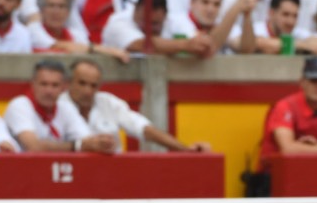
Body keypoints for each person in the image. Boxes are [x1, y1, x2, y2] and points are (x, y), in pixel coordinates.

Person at [62, 58, 212, 154]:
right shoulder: (58, 106)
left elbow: (144, 129)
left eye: (93, 85)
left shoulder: (108, 102)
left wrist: (185, 149)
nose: (87, 91)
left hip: (110, 173)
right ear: (69, 82)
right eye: (82, 83)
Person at [3, 58, 110, 152]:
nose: (49, 91)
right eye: (44, 84)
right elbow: (34, 147)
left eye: (55, 85)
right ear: (33, 84)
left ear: (63, 87)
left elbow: (88, 141)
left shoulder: (65, 108)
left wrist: (101, 143)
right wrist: (77, 146)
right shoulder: (19, 105)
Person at [101, 0, 214, 56]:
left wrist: (201, 43)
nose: (148, 27)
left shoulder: (175, 20)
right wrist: (185, 45)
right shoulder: (118, 22)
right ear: (135, 10)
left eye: (154, 23)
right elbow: (143, 44)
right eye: (144, 21)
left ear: (165, 15)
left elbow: (200, 44)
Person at [29, 0, 129, 61]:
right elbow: (57, 45)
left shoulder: (76, 35)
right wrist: (103, 50)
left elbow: (84, 48)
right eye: (51, 6)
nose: (56, 11)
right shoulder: (33, 30)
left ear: (68, 12)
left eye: (61, 6)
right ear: (42, 10)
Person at [168, 0, 256, 53]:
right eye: (205, 2)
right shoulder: (176, 22)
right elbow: (209, 47)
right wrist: (237, 7)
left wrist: (247, 14)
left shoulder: (222, 24)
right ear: (192, 1)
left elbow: (246, 49)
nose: (210, 9)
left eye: (216, 4)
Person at [230, 0, 309, 54]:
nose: (290, 21)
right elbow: (241, 44)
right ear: (271, 13)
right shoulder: (256, 29)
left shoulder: (296, 32)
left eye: (295, 16)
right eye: (285, 14)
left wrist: (287, 44)